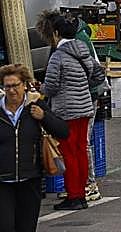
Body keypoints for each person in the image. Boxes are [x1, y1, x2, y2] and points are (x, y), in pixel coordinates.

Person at [0, 62, 68, 229]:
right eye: (7, 86)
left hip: (30, 178)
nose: (11, 90)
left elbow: (63, 132)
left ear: (24, 85)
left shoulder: (35, 105)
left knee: (27, 227)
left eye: (15, 85)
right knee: (5, 226)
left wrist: (44, 116)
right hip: (2, 181)